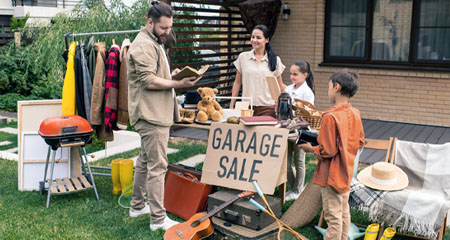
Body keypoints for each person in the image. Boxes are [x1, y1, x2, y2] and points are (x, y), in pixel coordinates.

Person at [127, 1, 200, 231]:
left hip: (154, 112)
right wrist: (178, 83)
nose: (167, 32)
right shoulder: (142, 45)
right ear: (150, 22)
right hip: (150, 115)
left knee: (145, 161)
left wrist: (172, 74)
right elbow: (148, 81)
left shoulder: (154, 41)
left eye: (169, 27)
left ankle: (137, 205)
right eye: (164, 28)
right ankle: (158, 219)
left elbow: (156, 73)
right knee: (158, 166)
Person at [298, 69, 365, 240]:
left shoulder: (330, 116)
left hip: (331, 176)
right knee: (343, 214)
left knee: (333, 218)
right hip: (346, 172)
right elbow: (360, 142)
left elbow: (327, 151)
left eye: (328, 87)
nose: (328, 91)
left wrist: (310, 149)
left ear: (336, 87)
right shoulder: (355, 113)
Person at [230, 25, 286, 117]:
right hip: (246, 108)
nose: (254, 40)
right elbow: (237, 82)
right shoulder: (243, 57)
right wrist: (232, 104)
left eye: (258, 37)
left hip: (268, 108)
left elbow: (279, 85)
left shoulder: (275, 60)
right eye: (253, 37)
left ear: (267, 40)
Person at [284, 60, 315, 201]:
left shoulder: (307, 93)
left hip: (301, 130)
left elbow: (308, 116)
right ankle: (294, 188)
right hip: (287, 128)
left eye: (295, 74)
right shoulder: (288, 89)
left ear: (305, 75)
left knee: (299, 160)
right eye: (290, 74)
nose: (292, 77)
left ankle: (297, 190)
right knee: (286, 161)